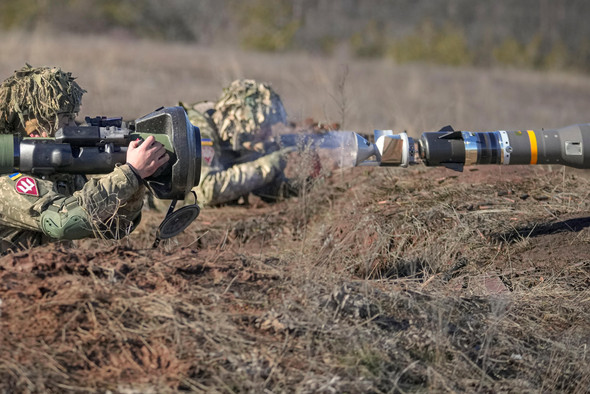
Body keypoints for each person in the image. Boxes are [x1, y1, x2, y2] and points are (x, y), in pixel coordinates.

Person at [0, 65, 169, 253]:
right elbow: (64, 222)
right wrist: (129, 174)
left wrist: (135, 182)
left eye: (74, 117)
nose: (74, 126)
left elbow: (113, 227)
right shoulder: (8, 182)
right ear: (35, 128)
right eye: (65, 120)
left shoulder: (61, 174)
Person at [181, 79, 295, 206]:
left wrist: (298, 187)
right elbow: (208, 190)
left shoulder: (230, 131)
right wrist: (267, 166)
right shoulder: (199, 130)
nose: (268, 135)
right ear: (245, 121)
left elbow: (260, 189)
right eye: (264, 126)